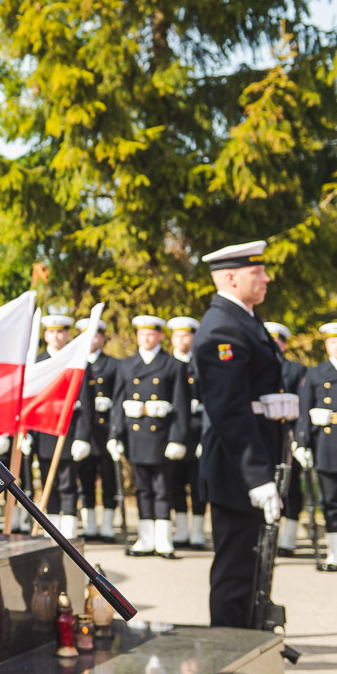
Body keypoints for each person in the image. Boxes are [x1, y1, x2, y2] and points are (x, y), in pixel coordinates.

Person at [192, 240, 286, 625]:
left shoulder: (242, 319)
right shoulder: (222, 329)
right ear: (230, 278)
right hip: (238, 470)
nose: (265, 278)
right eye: (256, 272)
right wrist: (257, 477)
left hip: (252, 463)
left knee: (253, 576)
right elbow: (229, 411)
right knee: (236, 577)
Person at [112, 315, 190, 558]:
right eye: (141, 333)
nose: (146, 338)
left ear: (159, 336)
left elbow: (181, 406)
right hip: (137, 437)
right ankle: (145, 538)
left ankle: (163, 539)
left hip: (162, 437)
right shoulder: (126, 366)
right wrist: (115, 435)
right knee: (142, 489)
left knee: (162, 488)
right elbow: (117, 404)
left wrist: (178, 438)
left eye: (151, 333)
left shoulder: (173, 365)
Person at [70, 317, 121, 542]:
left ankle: (108, 525)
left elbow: (119, 398)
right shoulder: (75, 363)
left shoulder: (112, 365)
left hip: (105, 431)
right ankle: (90, 524)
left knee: (109, 479)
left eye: (96, 336)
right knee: (86, 479)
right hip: (83, 432)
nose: (92, 340)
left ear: (102, 339)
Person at [32, 315, 82, 537]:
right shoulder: (38, 362)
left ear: (68, 335)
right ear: (45, 335)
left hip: (69, 432)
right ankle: (51, 526)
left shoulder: (77, 360)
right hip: (44, 431)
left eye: (61, 331)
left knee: (68, 482)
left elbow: (86, 403)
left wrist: (83, 437)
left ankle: (69, 527)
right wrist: (27, 434)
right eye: (51, 332)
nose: (56, 335)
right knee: (47, 482)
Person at [297, 323, 337, 571]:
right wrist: (302, 443)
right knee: (331, 503)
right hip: (328, 447)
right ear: (326, 344)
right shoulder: (315, 374)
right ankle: (335, 554)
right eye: (333, 341)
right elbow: (304, 413)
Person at [265, 321, 310, 557]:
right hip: (264, 437)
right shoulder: (257, 368)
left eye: (277, 340)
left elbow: (303, 406)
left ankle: (288, 539)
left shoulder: (296, 370)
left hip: (288, 435)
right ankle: (267, 537)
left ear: (284, 343)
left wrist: (299, 438)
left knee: (290, 488)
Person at [166, 316, 207, 550]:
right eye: (178, 335)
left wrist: (206, 436)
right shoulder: (167, 364)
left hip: (198, 432)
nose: (182, 339)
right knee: (175, 483)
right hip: (172, 433)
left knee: (198, 484)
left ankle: (198, 531)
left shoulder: (201, 364)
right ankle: (181, 529)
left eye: (186, 335)